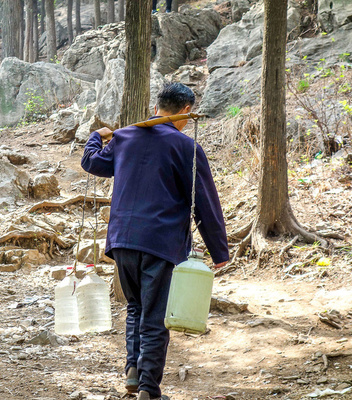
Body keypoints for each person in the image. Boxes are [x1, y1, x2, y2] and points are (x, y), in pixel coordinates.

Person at [81, 83, 229, 400]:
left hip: (121, 240)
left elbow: (93, 163)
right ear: (186, 110)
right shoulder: (185, 147)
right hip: (160, 242)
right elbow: (204, 200)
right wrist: (219, 250)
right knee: (154, 316)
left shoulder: (125, 137)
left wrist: (97, 136)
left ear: (158, 106)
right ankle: (149, 388)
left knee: (135, 307)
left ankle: (133, 373)